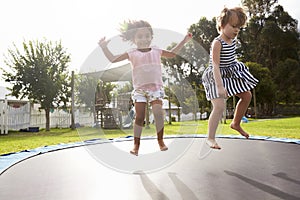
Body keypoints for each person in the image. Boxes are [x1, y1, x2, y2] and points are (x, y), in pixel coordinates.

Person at [98, 20, 192, 156]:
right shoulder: (132, 53)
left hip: (156, 89)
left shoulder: (156, 50)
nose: (144, 39)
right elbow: (113, 59)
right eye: (140, 36)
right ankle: (136, 144)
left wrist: (184, 41)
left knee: (158, 114)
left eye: (147, 36)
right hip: (140, 90)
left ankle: (160, 141)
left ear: (151, 37)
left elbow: (172, 54)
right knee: (139, 116)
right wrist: (104, 47)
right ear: (134, 39)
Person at [202, 7, 259, 149]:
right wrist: (220, 86)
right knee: (220, 106)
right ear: (222, 25)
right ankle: (210, 138)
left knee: (247, 95)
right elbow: (215, 65)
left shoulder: (233, 40)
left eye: (239, 27)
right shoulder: (217, 43)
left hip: (229, 73)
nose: (236, 30)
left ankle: (236, 123)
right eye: (233, 26)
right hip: (216, 76)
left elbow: (230, 59)